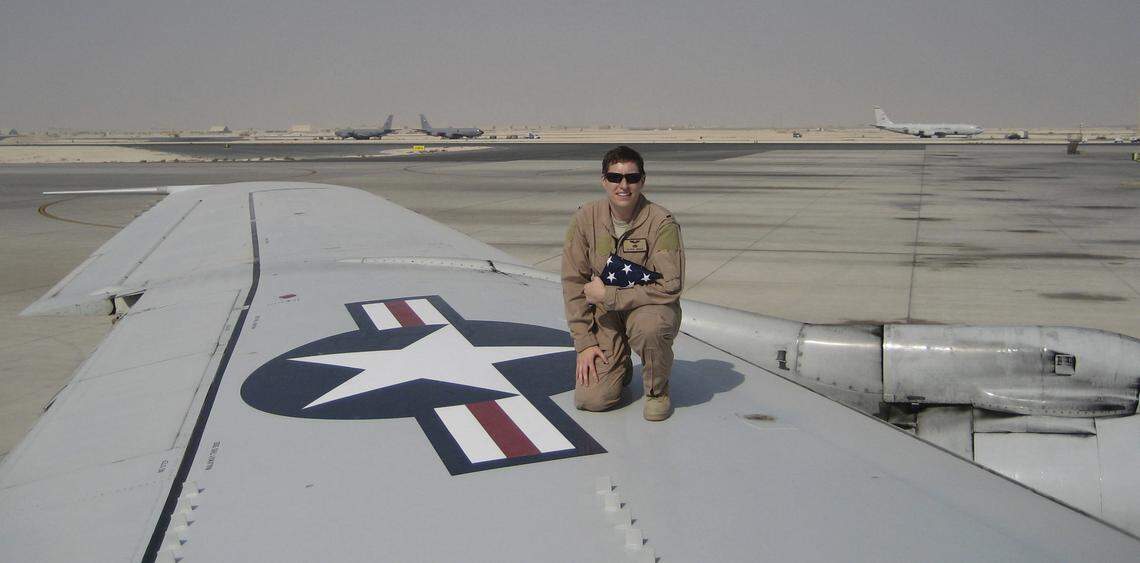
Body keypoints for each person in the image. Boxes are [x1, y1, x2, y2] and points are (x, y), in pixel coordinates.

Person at [561, 145, 684, 421]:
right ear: (604, 180)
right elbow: (572, 283)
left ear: (642, 180)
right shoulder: (585, 219)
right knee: (591, 400)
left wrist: (609, 295)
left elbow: (670, 286)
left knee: (650, 328)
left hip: (648, 307)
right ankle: (621, 364)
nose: (624, 185)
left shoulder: (662, 223)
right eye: (615, 177)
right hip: (605, 315)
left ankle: (657, 391)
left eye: (632, 177)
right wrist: (584, 343)